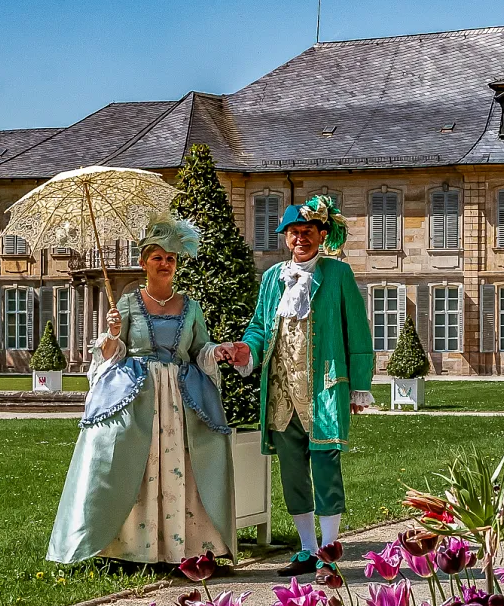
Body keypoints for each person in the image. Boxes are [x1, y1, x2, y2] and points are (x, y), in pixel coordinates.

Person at [46, 215, 236, 566]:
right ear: (143, 262)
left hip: (179, 398)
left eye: (171, 258)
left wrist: (218, 351)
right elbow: (113, 353)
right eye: (157, 257)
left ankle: (184, 546)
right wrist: (113, 333)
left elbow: (199, 349)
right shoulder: (129, 304)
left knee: (180, 464)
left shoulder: (191, 307)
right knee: (137, 462)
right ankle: (130, 547)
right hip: (137, 394)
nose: (165, 264)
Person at [216, 194, 374, 577]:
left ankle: (330, 548)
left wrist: (359, 386)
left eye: (307, 231)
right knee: (291, 469)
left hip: (323, 387)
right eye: (293, 232)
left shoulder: (337, 275)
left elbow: (358, 331)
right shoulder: (273, 278)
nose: (299, 238)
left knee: (325, 463)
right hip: (281, 389)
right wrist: (245, 352)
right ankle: (306, 549)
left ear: (322, 234)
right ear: (285, 237)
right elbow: (258, 328)